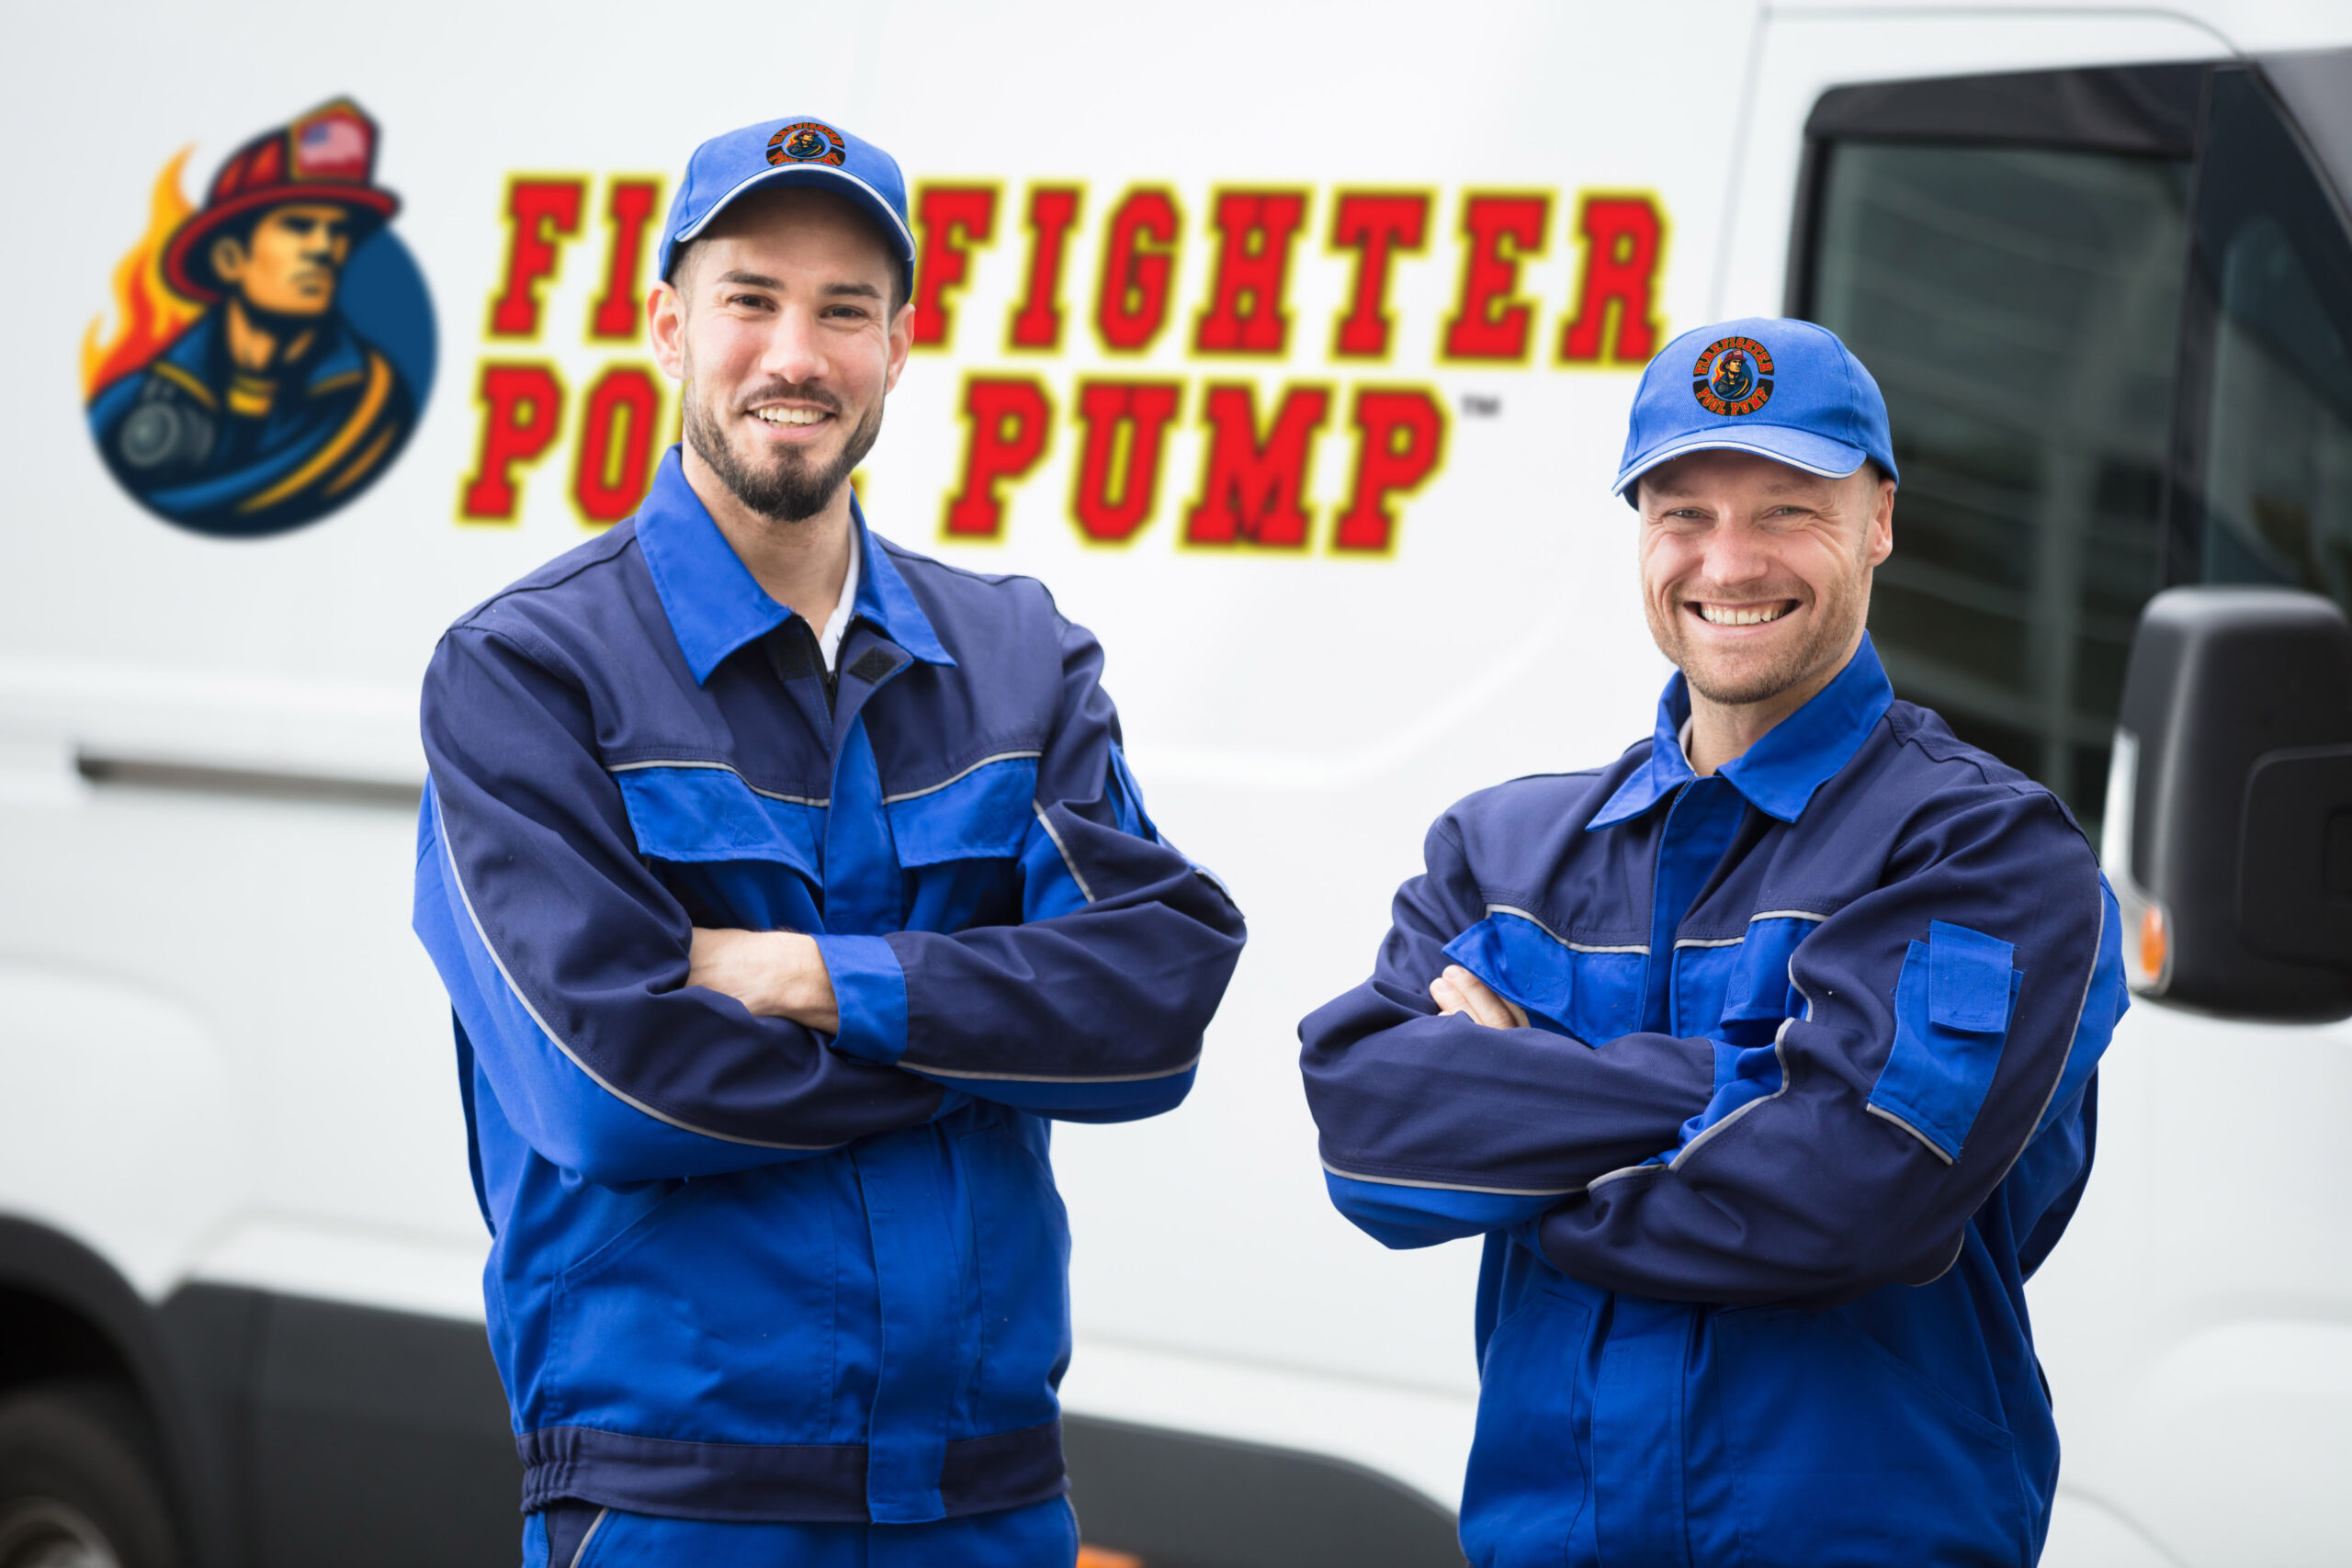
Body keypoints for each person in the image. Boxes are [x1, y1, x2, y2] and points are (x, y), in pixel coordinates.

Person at [413, 115, 1245, 1568]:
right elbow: (612, 1085)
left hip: (991, 1495)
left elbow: (1153, 1006)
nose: (795, 352)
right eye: (751, 298)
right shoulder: (530, 672)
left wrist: (813, 977)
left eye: (844, 308)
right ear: (668, 324)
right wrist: (980, 1037)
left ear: (901, 344)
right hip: (678, 1498)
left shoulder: (1014, 657)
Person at [1298, 317, 2126, 1568]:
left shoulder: (1986, 852)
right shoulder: (1505, 851)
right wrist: (1741, 1081)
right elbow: (1369, 1139)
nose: (1727, 561)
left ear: (1879, 520)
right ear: (1640, 529)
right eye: (1683, 511)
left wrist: (1539, 1142)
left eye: (1787, 508)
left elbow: (1849, 1199)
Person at [87, 99, 414, 535]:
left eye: (337, 231)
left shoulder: (375, 399)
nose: (324, 248)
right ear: (229, 258)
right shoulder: (132, 407)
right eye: (299, 226)